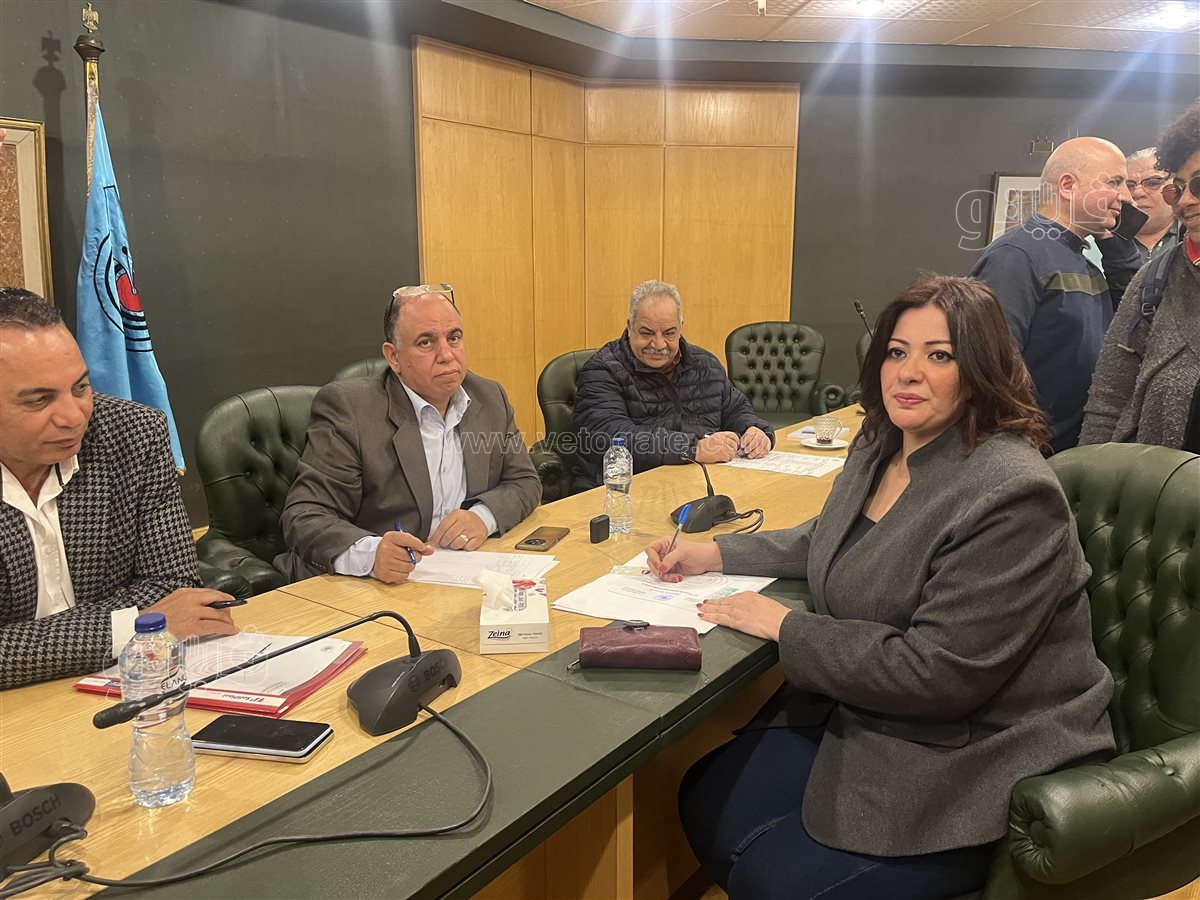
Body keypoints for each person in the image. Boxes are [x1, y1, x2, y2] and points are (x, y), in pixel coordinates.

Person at [647, 275, 1115, 898]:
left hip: (980, 742)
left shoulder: (1011, 492)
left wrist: (785, 625)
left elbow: (937, 675)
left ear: (980, 370)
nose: (908, 373)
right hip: (878, 711)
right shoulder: (880, 442)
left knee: (774, 878)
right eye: (897, 351)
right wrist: (714, 552)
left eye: (939, 355)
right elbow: (834, 536)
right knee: (706, 799)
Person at [0, 288, 236, 690]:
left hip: (134, 681)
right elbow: (165, 613)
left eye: (80, 387)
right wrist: (127, 627)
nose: (74, 417)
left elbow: (173, 584)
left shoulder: (132, 433)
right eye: (39, 400)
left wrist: (25, 642)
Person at [275, 284, 541, 584]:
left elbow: (524, 481)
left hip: (460, 576)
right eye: (426, 342)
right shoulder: (351, 409)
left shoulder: (489, 397)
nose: (446, 355)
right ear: (394, 357)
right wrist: (371, 555)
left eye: (454, 338)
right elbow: (305, 515)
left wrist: (482, 517)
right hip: (368, 586)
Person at [972, 136, 1137, 452]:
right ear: (1067, 186)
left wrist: (1116, 245)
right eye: (1115, 182)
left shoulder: (1083, 262)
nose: (1127, 197)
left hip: (1074, 453)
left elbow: (1133, 319)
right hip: (1031, 458)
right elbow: (988, 374)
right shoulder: (1016, 256)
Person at [571, 280, 773, 490]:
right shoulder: (602, 370)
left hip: (698, 483)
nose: (659, 344)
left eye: (669, 333)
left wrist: (754, 431)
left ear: (680, 327)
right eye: (647, 333)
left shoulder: (706, 364)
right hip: (621, 490)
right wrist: (693, 449)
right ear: (630, 327)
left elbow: (736, 408)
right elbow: (611, 436)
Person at [1081, 100, 1200, 452]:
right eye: (1177, 189)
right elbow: (1108, 397)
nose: (1184, 201)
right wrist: (1093, 476)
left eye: (1198, 185)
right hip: (1160, 478)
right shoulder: (1155, 278)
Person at [1125, 147, 1184, 264]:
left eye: (1152, 183)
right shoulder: (1097, 242)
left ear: (1177, 188)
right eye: (1130, 185)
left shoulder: (1193, 236)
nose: (1137, 193)